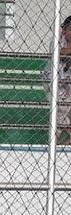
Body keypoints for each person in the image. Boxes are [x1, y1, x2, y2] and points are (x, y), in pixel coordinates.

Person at [42, 15, 71, 144]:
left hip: (68, 82)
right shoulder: (57, 39)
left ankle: (55, 141)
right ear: (64, 30)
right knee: (58, 110)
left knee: (63, 111)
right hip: (52, 79)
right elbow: (60, 52)